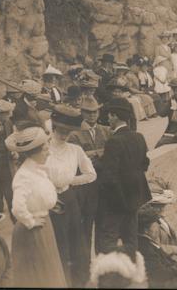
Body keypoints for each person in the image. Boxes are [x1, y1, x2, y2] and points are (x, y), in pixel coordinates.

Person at [6, 126, 68, 287]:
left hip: (44, 226)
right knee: (38, 274)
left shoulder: (37, 170)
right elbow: (17, 208)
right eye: (46, 149)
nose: (49, 153)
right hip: (32, 231)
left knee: (49, 271)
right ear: (35, 152)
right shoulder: (24, 176)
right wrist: (31, 221)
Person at [95, 97, 152, 260]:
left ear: (114, 116)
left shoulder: (113, 141)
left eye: (109, 115)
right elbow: (145, 163)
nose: (107, 119)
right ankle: (132, 269)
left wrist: (99, 163)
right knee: (131, 239)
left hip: (116, 201)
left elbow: (109, 178)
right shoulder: (139, 137)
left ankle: (112, 275)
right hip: (135, 197)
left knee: (108, 241)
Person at [46, 104, 96, 287]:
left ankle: (78, 281)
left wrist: (69, 181)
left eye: (69, 131)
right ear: (54, 127)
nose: (65, 134)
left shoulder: (75, 150)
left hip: (69, 199)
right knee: (57, 244)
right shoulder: (43, 148)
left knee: (75, 242)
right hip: (48, 200)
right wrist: (49, 186)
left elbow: (91, 174)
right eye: (62, 129)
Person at [67, 96, 111, 255]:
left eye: (95, 112)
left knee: (103, 225)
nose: (92, 115)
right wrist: (101, 153)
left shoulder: (106, 130)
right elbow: (78, 161)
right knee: (86, 226)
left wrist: (93, 155)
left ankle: (102, 259)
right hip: (85, 188)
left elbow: (112, 155)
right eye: (88, 112)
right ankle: (85, 262)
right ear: (82, 113)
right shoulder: (74, 134)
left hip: (104, 186)